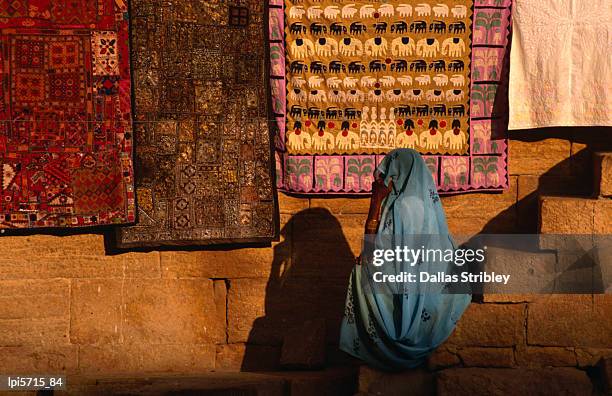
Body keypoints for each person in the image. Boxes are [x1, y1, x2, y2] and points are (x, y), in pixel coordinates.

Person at [339, 148, 471, 371]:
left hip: (405, 279)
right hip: (427, 278)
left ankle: (382, 347)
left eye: (387, 175)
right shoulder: (424, 203)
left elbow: (376, 253)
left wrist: (375, 202)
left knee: (359, 274)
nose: (384, 181)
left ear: (398, 173)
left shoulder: (401, 206)